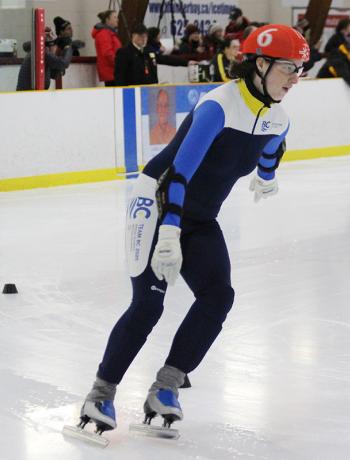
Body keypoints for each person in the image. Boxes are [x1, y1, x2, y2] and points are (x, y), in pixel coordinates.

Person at [78, 24, 309, 435]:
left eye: (300, 70)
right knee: (149, 306)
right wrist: (168, 230)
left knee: (218, 297)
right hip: (158, 204)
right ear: (260, 64)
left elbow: (274, 146)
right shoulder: (219, 105)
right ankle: (100, 393)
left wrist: (269, 175)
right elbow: (180, 172)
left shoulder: (279, 118)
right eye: (289, 68)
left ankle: (165, 387)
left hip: (200, 218)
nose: (295, 79)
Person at [114, 24, 190, 87]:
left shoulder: (148, 50)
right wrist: (122, 91)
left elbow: (164, 59)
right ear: (133, 36)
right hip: (133, 91)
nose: (143, 39)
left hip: (150, 90)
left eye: (145, 36)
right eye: (141, 36)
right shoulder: (124, 52)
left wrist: (186, 62)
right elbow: (119, 75)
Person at [91, 9, 121, 86]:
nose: (117, 20)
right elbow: (107, 53)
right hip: (111, 72)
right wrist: (120, 64)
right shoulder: (104, 33)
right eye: (114, 17)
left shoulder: (109, 33)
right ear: (107, 20)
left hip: (113, 71)